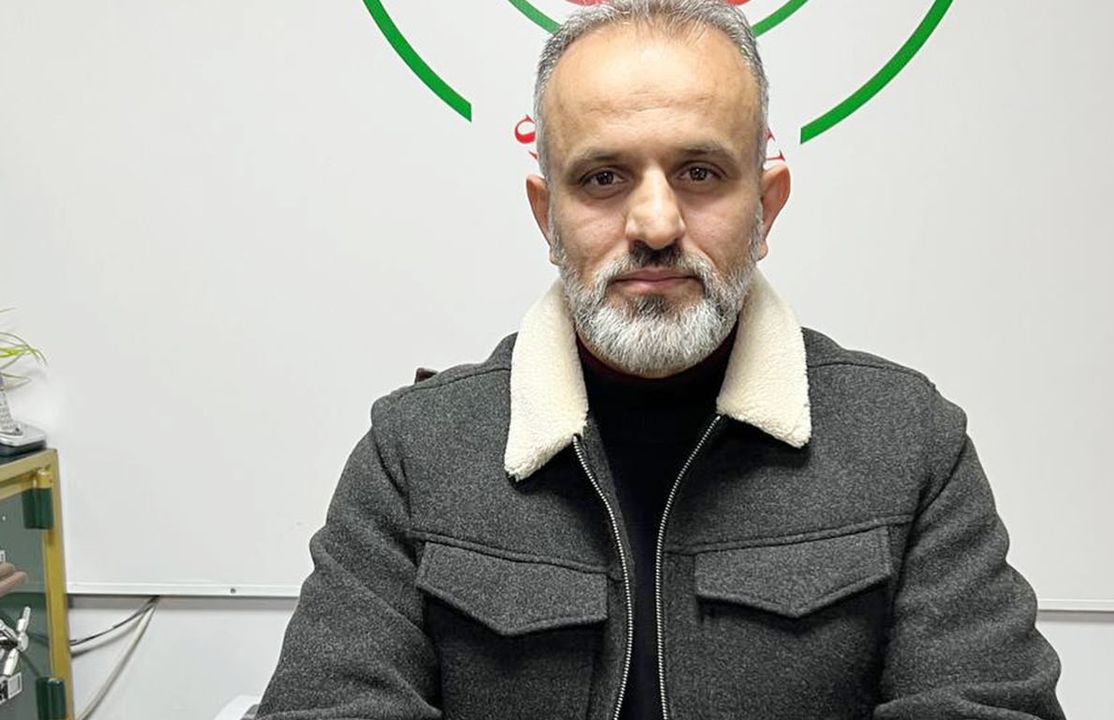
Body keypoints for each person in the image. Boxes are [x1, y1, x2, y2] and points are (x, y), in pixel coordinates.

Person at [258, 1, 1065, 718]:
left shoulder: (908, 443)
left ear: (765, 207)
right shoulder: (414, 455)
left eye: (700, 173)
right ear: (547, 217)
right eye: (604, 177)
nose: (654, 223)